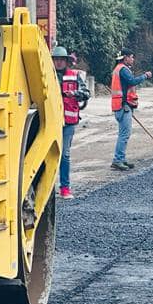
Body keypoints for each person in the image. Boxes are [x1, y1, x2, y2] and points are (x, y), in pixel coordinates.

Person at [51, 45, 89, 199]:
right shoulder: (47, 75)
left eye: (61, 60)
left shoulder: (74, 76)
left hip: (68, 122)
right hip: (50, 122)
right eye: (56, 60)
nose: (58, 63)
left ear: (66, 61)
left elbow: (86, 93)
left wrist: (74, 93)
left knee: (64, 155)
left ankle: (65, 188)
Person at [110, 49, 152, 171]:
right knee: (124, 134)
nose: (133, 59)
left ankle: (121, 159)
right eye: (131, 57)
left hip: (122, 106)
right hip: (123, 106)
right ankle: (118, 160)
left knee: (124, 134)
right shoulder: (122, 69)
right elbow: (132, 81)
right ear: (125, 58)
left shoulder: (119, 69)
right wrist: (145, 76)